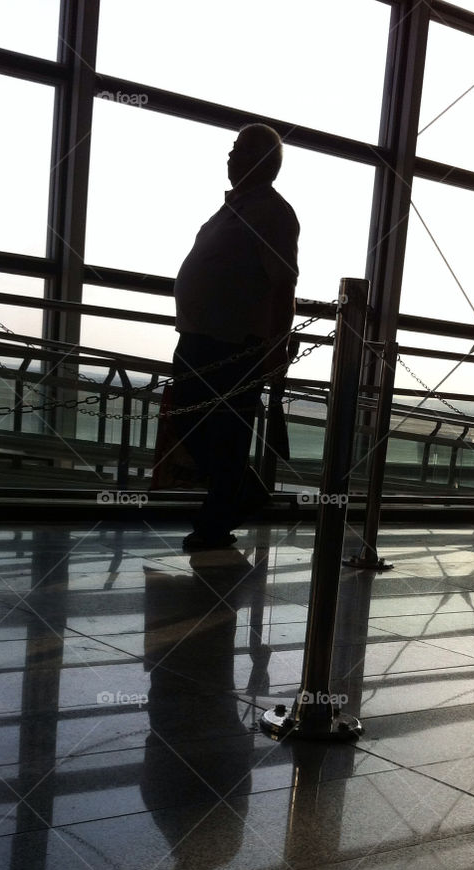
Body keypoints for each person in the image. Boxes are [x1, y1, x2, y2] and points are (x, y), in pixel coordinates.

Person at [171, 124, 300, 551]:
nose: (230, 156)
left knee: (223, 436)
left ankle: (216, 522)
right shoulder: (232, 209)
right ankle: (239, 497)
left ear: (264, 162)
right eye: (232, 149)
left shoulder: (273, 214)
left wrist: (275, 347)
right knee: (192, 426)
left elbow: (283, 284)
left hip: (232, 347)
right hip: (201, 340)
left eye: (240, 150)